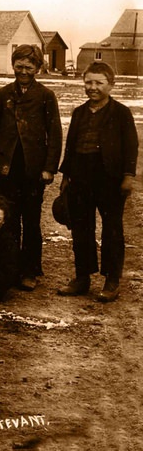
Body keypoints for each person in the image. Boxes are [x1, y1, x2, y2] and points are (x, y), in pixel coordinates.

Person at [0, 44, 62, 292]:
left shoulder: (46, 96)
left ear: (38, 68)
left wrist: (49, 168)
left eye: (29, 67)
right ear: (13, 65)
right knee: (10, 220)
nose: (23, 71)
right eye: (19, 66)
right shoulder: (2, 94)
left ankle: (30, 270)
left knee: (32, 221)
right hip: (6, 168)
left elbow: (55, 135)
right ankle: (11, 269)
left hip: (32, 170)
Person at [57, 62, 138, 302]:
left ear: (111, 85)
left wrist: (128, 176)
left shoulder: (121, 113)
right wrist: (65, 177)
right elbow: (71, 147)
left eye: (99, 83)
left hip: (109, 180)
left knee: (112, 230)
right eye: (88, 82)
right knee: (81, 228)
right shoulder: (79, 112)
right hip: (80, 177)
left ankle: (112, 280)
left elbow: (131, 147)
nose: (92, 87)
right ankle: (83, 278)